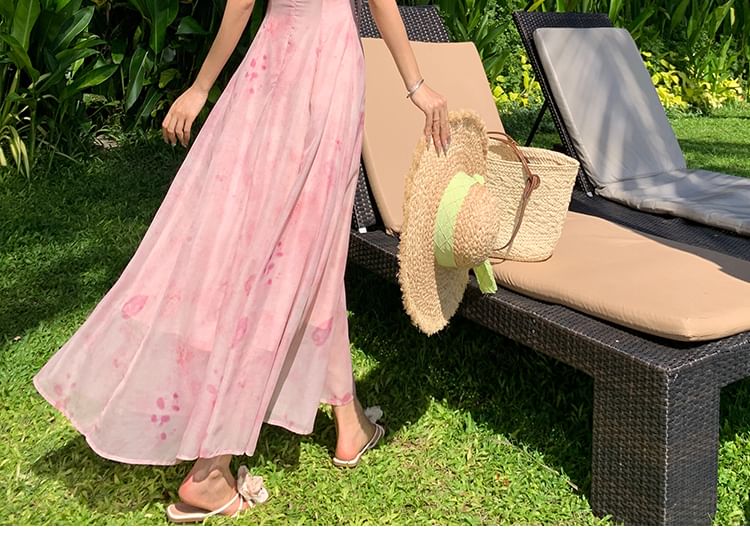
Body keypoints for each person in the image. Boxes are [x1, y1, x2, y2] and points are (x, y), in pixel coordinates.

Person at [32, 0, 450, 522]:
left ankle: (350, 422)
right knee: (291, 260)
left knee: (294, 252)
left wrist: (201, 87)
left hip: (268, 71)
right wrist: (416, 85)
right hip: (326, 72)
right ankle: (211, 471)